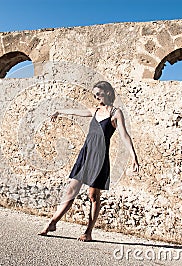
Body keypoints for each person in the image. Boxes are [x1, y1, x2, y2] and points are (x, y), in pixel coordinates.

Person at [38, 81, 139, 241]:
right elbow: (77, 111)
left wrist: (134, 156)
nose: (96, 97)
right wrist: (60, 111)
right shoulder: (95, 111)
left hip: (99, 157)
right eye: (95, 95)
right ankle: (52, 222)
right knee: (71, 190)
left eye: (98, 93)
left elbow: (124, 135)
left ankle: (88, 232)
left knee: (93, 195)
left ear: (107, 92)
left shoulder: (115, 113)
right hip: (85, 154)